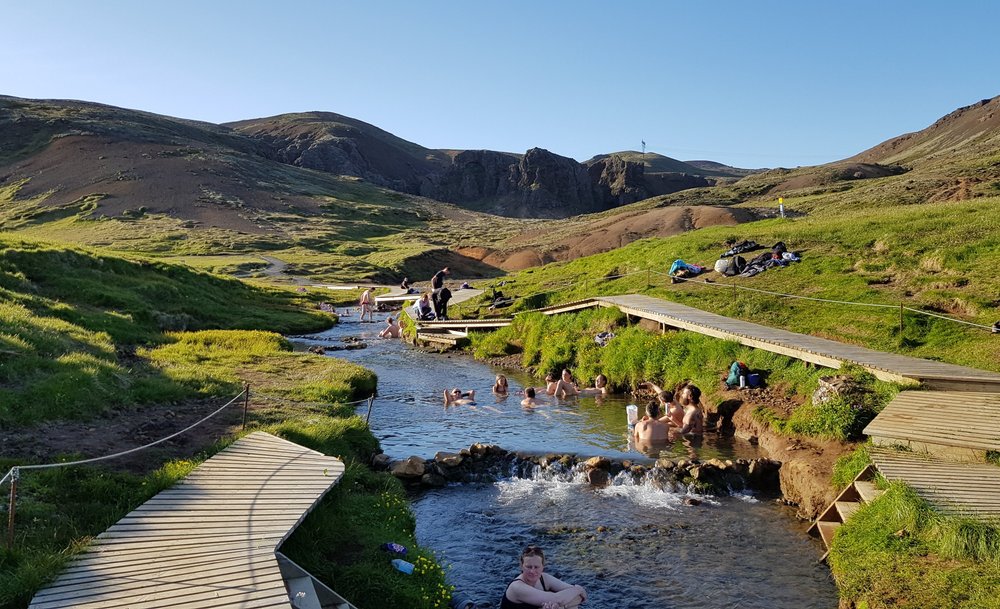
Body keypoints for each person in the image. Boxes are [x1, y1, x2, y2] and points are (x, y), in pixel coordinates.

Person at [500, 545, 586, 609]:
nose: (532, 571)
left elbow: (581, 596)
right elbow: (557, 599)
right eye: (528, 567)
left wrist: (561, 605)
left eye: (536, 567)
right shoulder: (516, 587)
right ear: (521, 566)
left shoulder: (544, 579)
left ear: (542, 567)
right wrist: (578, 589)